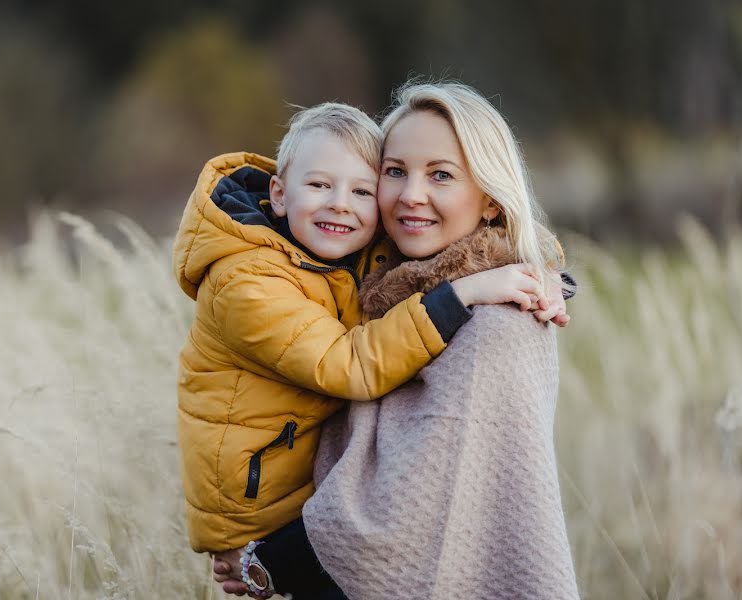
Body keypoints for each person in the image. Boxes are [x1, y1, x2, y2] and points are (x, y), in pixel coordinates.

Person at [172, 102, 564, 597]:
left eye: (440, 174)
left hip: (314, 546)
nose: (410, 196)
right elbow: (352, 361)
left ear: (491, 198)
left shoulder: (495, 326)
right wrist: (264, 558)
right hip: (267, 515)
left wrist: (543, 273)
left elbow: (413, 507)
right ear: (279, 194)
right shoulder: (264, 279)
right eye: (395, 172)